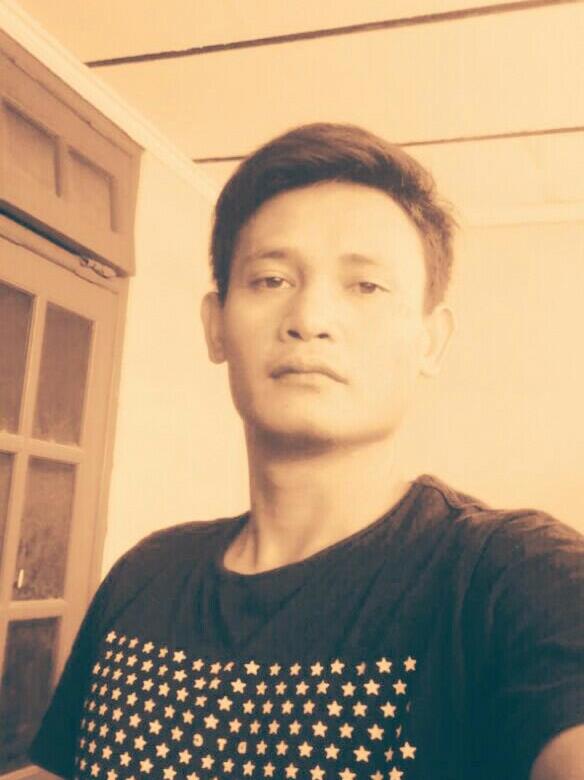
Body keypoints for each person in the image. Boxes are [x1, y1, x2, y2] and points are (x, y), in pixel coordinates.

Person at [30, 123, 583, 780]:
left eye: (365, 286)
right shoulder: (143, 575)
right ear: (215, 325)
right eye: (271, 280)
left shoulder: (514, 577)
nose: (310, 318)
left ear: (430, 341)